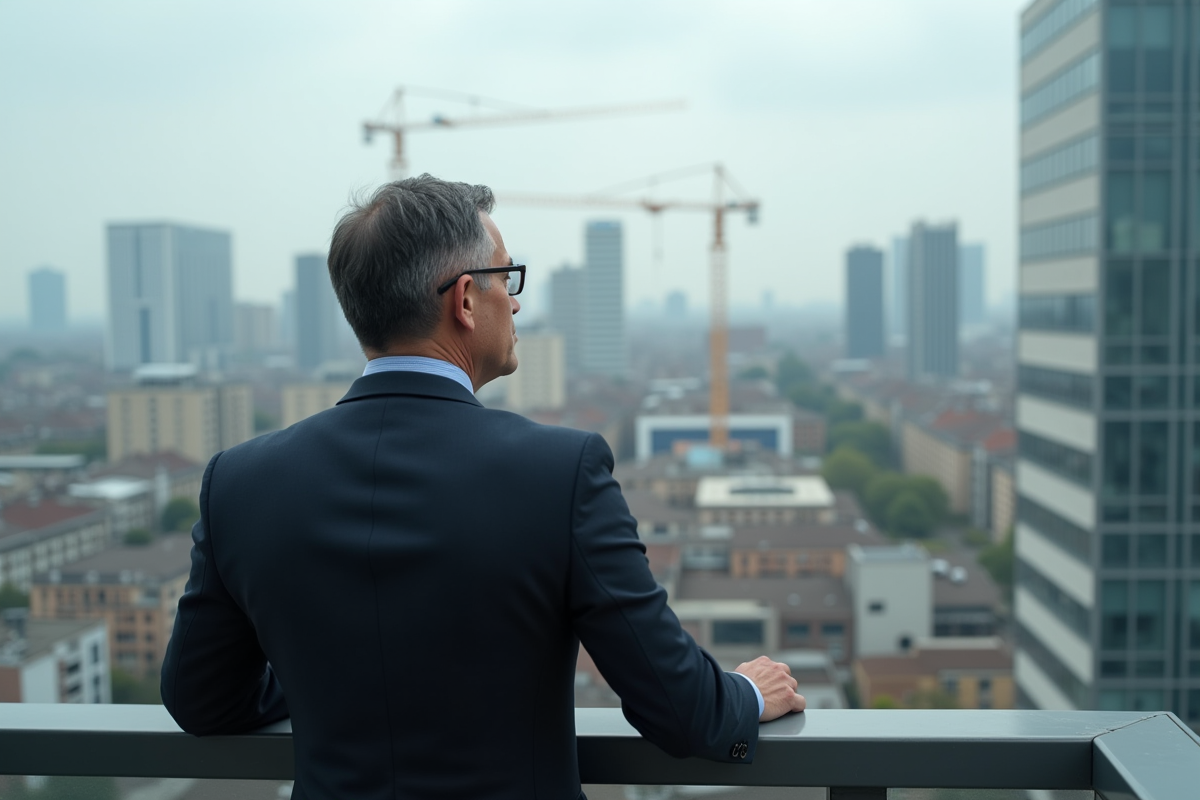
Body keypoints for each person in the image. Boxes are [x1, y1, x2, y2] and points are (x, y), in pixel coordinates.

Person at [160, 175, 805, 800]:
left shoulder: (239, 483)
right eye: (507, 277)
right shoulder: (560, 473)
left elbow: (202, 700)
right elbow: (680, 708)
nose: (517, 300)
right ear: (465, 299)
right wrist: (748, 694)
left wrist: (317, 681)